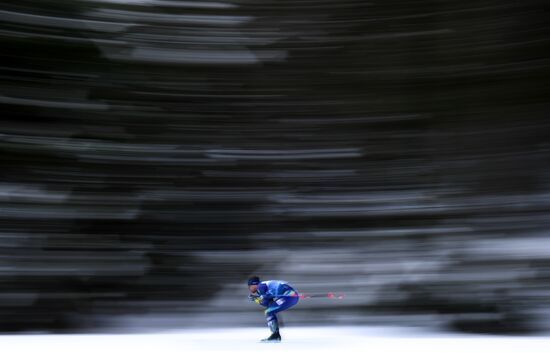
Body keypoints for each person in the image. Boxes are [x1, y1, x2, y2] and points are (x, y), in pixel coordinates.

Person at [247, 276, 299, 342]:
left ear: (254, 284)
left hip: (289, 295)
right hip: (291, 296)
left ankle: (275, 335)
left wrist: (258, 298)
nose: (249, 288)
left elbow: (266, 300)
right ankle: (275, 335)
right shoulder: (262, 288)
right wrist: (256, 299)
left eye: (249, 286)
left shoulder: (261, 286)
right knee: (269, 311)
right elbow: (268, 304)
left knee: (268, 312)